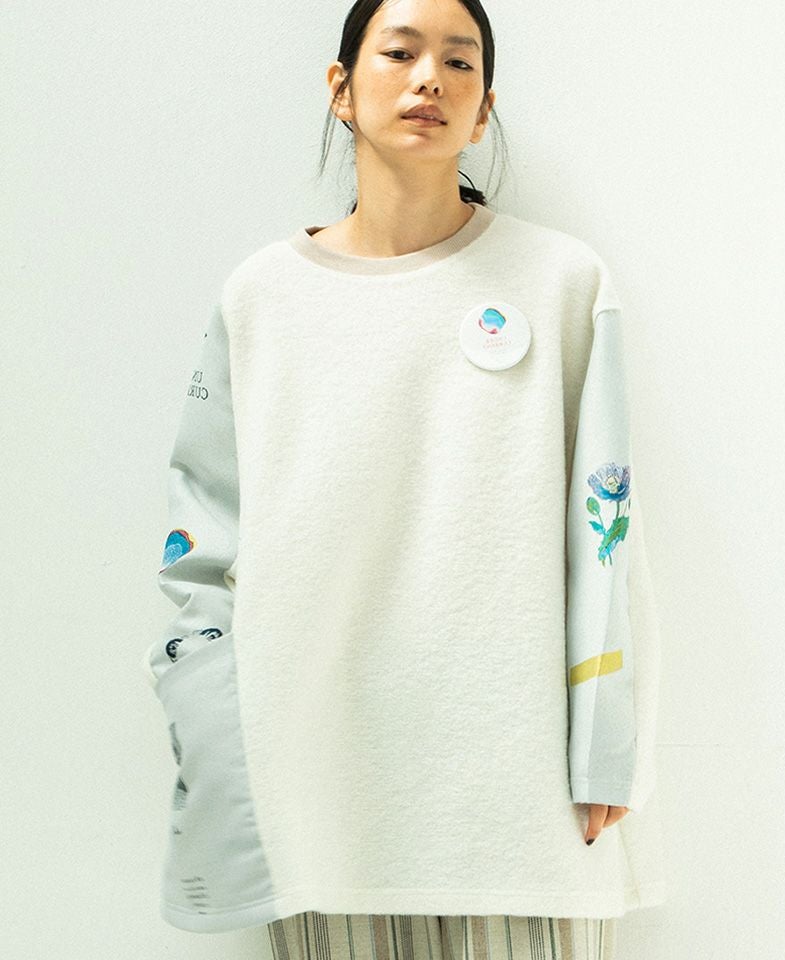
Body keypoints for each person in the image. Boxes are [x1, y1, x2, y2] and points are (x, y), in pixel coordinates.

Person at [142, 1, 667, 956]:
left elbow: (608, 539)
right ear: (340, 88)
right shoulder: (262, 299)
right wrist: (221, 744)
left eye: (460, 63)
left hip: (517, 799)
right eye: (401, 51)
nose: (431, 77)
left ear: (484, 109)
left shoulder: (562, 283)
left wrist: (607, 749)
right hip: (317, 793)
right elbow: (200, 547)